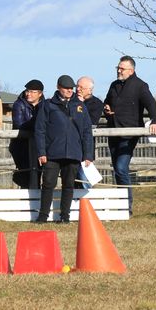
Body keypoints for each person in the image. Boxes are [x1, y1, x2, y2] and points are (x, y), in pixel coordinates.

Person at [102, 56, 156, 212]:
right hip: (113, 131)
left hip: (129, 133)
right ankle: (120, 203)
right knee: (117, 169)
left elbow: (151, 105)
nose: (119, 71)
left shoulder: (140, 85)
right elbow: (107, 102)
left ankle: (127, 205)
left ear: (131, 70)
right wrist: (107, 109)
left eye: (122, 68)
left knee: (121, 167)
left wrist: (155, 121)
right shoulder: (114, 85)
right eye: (118, 68)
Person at [34, 75, 95, 223]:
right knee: (48, 184)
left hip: (73, 152)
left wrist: (88, 154)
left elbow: (87, 131)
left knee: (69, 185)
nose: (69, 91)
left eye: (71, 88)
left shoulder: (80, 106)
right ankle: (43, 216)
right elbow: (40, 130)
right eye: (66, 88)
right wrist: (41, 152)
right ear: (58, 87)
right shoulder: (47, 105)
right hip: (52, 153)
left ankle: (64, 217)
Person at [10, 79, 44, 189]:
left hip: (39, 146)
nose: (29, 94)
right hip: (21, 146)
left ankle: (36, 197)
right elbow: (19, 124)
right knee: (26, 175)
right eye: (27, 91)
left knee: (38, 174)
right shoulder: (19, 104)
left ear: (40, 94)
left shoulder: (45, 105)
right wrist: (37, 123)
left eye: (33, 92)